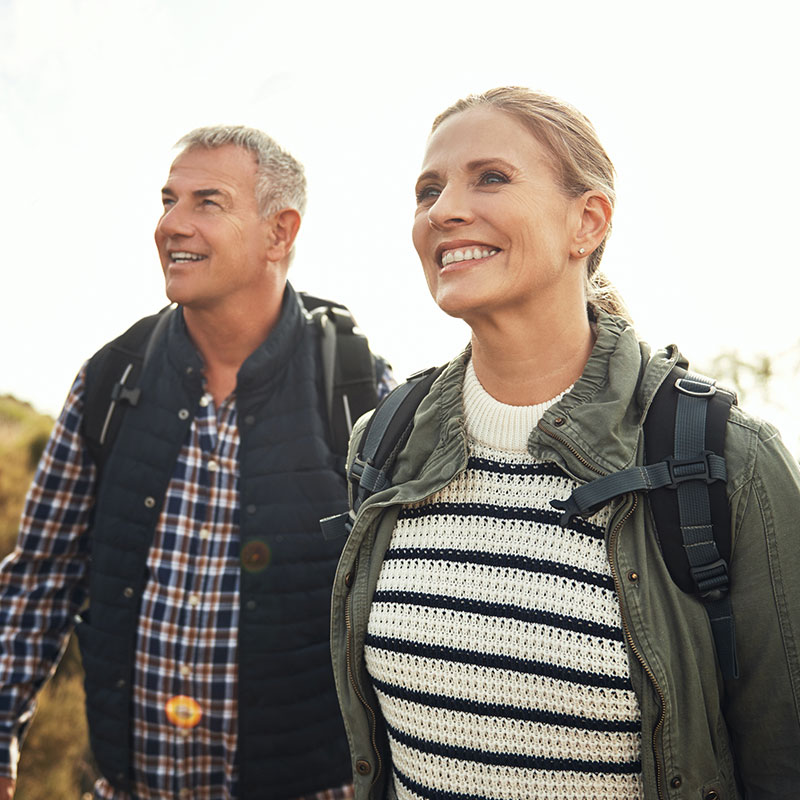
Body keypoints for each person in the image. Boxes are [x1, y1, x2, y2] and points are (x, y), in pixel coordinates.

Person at [330, 88, 800, 799]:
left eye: (490, 177)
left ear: (588, 220)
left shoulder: (727, 458)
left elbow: (782, 761)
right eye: (429, 190)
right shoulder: (384, 442)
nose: (443, 210)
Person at [0, 126, 392, 799]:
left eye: (207, 201)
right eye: (168, 199)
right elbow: (40, 577)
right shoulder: (110, 379)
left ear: (279, 233)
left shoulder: (357, 387)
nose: (170, 224)